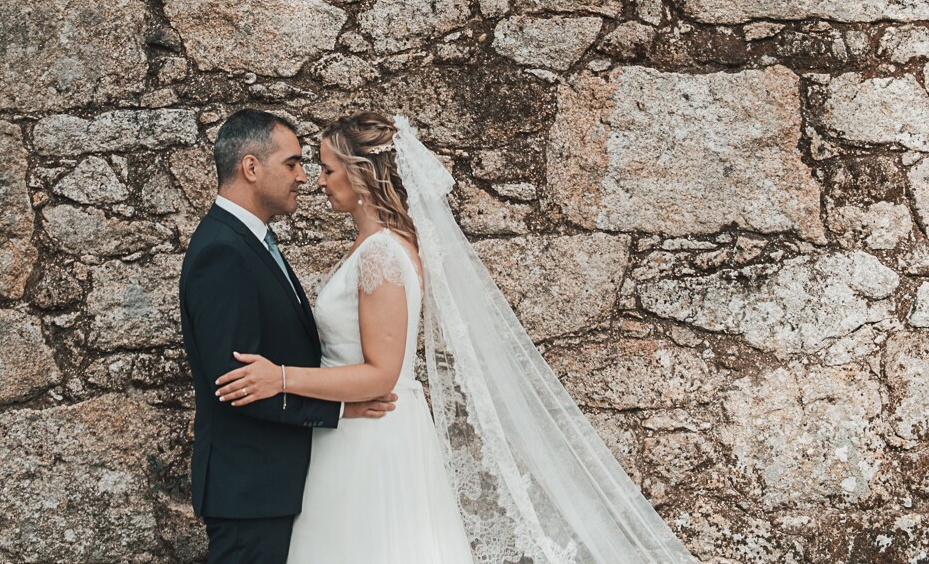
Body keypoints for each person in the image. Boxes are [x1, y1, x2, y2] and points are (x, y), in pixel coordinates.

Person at [214, 112, 700, 564]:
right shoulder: (372, 248)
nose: (318, 181)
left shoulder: (382, 254)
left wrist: (280, 378)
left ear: (361, 175)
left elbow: (381, 373)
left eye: (328, 169)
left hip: (369, 437)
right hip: (351, 430)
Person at [178, 108, 398, 564]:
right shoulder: (222, 250)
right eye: (293, 163)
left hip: (272, 487)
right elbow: (237, 385)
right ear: (251, 168)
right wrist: (341, 407)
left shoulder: (248, 241)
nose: (304, 176)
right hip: (250, 490)